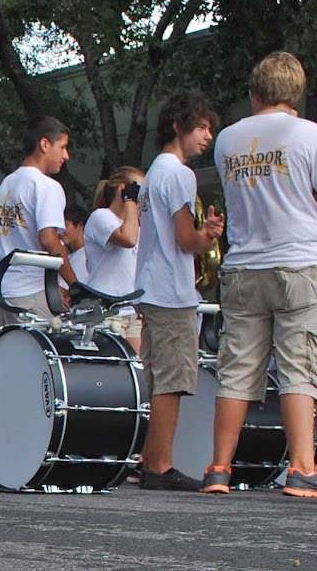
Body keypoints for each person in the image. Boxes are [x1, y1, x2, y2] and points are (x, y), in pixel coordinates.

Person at [200, 52, 317, 498]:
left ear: (255, 93)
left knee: (236, 370)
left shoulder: (227, 139)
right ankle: (302, 467)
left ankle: (218, 469)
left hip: (244, 264)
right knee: (299, 367)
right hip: (299, 262)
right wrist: (305, 205)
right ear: (296, 93)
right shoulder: (312, 134)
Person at [135, 90, 224, 491]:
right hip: (171, 291)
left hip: (149, 287)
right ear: (178, 126)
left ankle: (149, 460)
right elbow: (186, 239)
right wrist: (208, 237)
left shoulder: (154, 171)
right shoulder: (179, 173)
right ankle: (160, 465)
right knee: (172, 380)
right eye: (201, 127)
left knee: (157, 378)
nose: (207, 136)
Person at [0, 118, 77, 333]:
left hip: (0, 294)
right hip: (31, 294)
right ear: (44, 145)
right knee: (39, 364)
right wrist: (74, 285)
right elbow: (49, 239)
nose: (66, 156)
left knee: (9, 364)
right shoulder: (46, 186)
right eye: (62, 147)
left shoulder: (6, 185)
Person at [85, 167, 145, 351]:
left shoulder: (137, 225)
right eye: (138, 191)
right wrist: (130, 200)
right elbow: (127, 239)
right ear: (123, 189)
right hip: (106, 311)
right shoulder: (101, 217)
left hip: (132, 310)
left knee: (138, 371)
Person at [63, 204, 91, 286]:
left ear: (80, 225)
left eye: (65, 225)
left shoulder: (84, 256)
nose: (60, 231)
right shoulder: (72, 255)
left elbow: (64, 290)